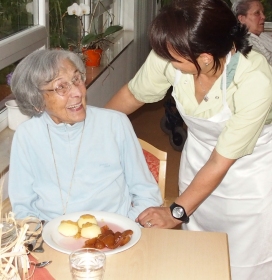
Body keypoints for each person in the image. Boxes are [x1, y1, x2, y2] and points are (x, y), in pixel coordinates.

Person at [105, 0, 272, 279]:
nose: (166, 60)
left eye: (174, 59)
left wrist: (175, 211)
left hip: (249, 171)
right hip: (199, 160)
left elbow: (220, 161)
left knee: (244, 262)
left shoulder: (254, 78)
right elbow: (132, 95)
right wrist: (92, 129)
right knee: (197, 255)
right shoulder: (175, 50)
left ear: (206, 58)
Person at [8, 49, 162, 222]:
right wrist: (44, 236)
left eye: (76, 79)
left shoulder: (114, 123)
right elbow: (23, 207)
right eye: (61, 87)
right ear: (37, 101)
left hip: (113, 234)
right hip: (51, 237)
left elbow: (147, 194)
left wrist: (123, 227)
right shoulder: (27, 135)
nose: (77, 92)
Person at [232, 0, 272, 105]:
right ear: (241, 19)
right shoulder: (244, 43)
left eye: (263, 12)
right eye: (257, 13)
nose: (263, 17)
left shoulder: (264, 36)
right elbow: (261, 77)